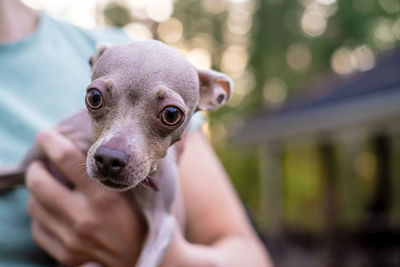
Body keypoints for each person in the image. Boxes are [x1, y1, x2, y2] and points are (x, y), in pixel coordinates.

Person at [0, 0, 273, 266]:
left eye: (169, 115)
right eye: (97, 100)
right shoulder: (111, 58)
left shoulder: (124, 51)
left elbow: (249, 255)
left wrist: (150, 258)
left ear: (209, 93)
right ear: (95, 62)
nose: (114, 151)